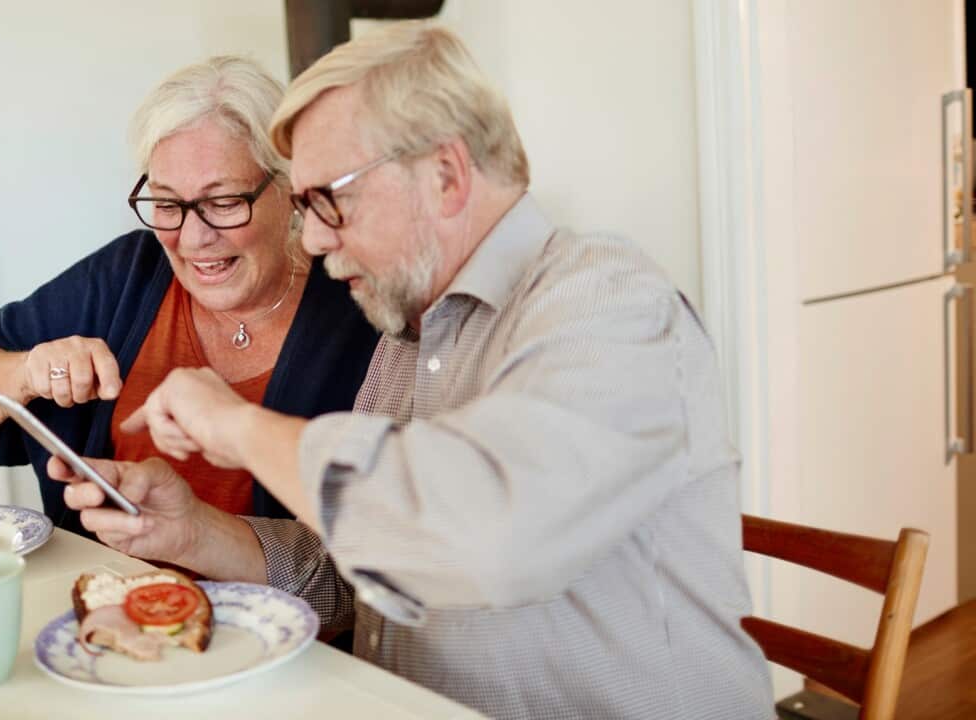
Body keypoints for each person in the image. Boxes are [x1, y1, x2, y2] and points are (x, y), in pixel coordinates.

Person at [56, 21, 774, 720]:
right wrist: (192, 533)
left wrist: (240, 427)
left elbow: (488, 533)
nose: (311, 237)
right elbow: (353, 570)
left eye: (327, 200)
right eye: (304, 206)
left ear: (446, 175)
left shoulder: (607, 303)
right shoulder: (409, 333)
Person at [0, 56, 379, 543]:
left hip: (285, 617)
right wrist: (26, 372)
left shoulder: (361, 303)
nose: (193, 237)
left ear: (288, 188)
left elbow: (378, 545)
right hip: (105, 604)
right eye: (167, 203)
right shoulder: (131, 273)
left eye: (223, 202)